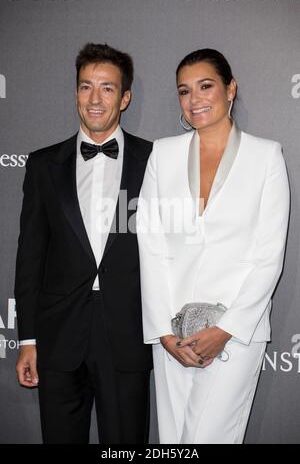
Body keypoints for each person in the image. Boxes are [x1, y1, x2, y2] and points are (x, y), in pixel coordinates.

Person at [136, 48, 290, 444]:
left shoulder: (266, 156)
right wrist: (163, 334)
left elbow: (268, 255)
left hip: (236, 332)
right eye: (184, 91)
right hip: (174, 335)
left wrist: (226, 329)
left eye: (205, 86)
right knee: (175, 442)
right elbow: (151, 246)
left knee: (211, 438)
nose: (195, 99)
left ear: (230, 89)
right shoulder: (162, 154)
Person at [15, 43, 153, 444]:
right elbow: (30, 258)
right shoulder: (43, 165)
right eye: (86, 87)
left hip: (127, 333)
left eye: (107, 89)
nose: (95, 99)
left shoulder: (155, 160)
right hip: (58, 337)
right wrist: (27, 339)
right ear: (75, 93)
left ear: (125, 98)